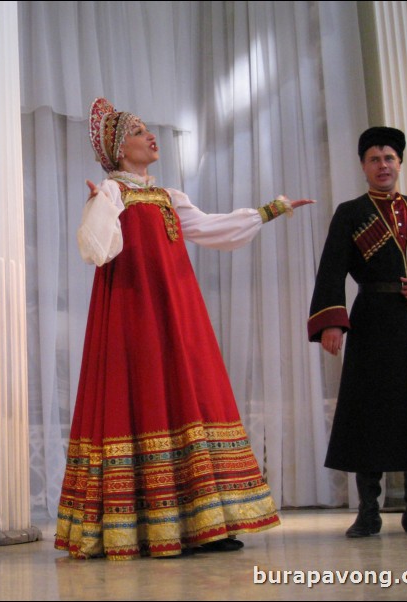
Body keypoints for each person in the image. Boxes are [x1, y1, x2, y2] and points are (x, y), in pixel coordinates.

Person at [54, 98, 315, 560]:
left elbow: (212, 229)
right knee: (148, 399)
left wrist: (269, 211)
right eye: (137, 131)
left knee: (190, 396)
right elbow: (95, 249)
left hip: (178, 311)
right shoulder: (114, 193)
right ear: (118, 150)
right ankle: (143, 526)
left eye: (147, 129)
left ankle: (204, 524)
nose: (150, 136)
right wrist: (99, 206)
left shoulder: (168, 196)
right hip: (136, 316)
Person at [307, 126, 407, 538]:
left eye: (389, 158)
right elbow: (331, 270)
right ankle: (368, 512)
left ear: (399, 163)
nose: (383, 166)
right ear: (363, 166)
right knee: (371, 411)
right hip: (374, 321)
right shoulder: (351, 212)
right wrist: (331, 323)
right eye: (375, 159)